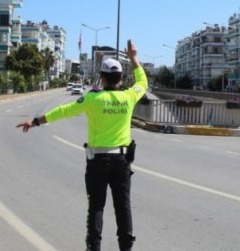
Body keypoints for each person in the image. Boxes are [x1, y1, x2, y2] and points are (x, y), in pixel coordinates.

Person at [16, 39, 147, 251]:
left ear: (102, 78)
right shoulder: (129, 97)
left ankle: (93, 247)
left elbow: (63, 111)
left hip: (98, 161)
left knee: (96, 206)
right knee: (123, 206)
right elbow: (143, 82)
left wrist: (36, 121)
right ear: (121, 78)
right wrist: (133, 57)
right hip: (122, 161)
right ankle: (126, 248)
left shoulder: (92, 99)